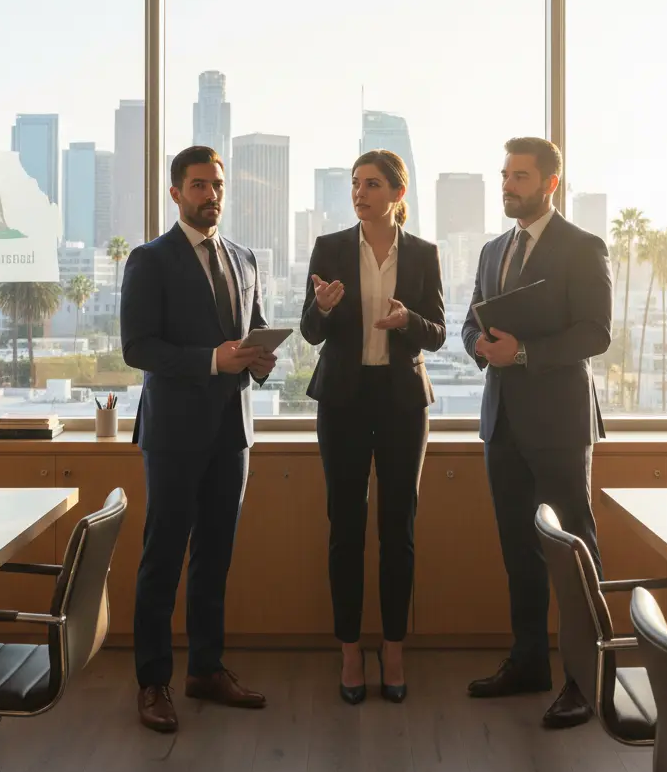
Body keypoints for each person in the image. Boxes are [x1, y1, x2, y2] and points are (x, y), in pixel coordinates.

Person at [121, 145, 277, 734]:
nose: (210, 194)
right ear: (174, 193)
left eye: (217, 184)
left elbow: (252, 331)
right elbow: (137, 348)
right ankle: (152, 681)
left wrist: (260, 359)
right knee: (163, 559)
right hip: (174, 434)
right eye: (197, 185)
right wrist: (212, 360)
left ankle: (206, 670)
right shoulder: (150, 259)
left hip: (233, 431)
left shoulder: (244, 257)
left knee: (215, 557)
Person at [462, 136, 612, 730]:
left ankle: (587, 678)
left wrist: (522, 353)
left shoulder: (582, 246)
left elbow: (596, 334)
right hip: (501, 422)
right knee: (517, 551)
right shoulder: (492, 249)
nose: (508, 184)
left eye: (520, 176)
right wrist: (479, 345)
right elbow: (473, 315)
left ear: (550, 183)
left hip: (557, 422)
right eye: (504, 175)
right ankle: (528, 662)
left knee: (574, 551)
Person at [301, 149, 445, 705]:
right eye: (356, 184)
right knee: (345, 526)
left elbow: (436, 332)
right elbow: (311, 332)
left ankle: (393, 647)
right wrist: (324, 307)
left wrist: (408, 320)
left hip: (403, 403)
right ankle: (349, 651)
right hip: (342, 402)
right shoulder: (330, 248)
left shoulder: (425, 254)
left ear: (397, 195)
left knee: (398, 528)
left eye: (373, 184)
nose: (360, 193)